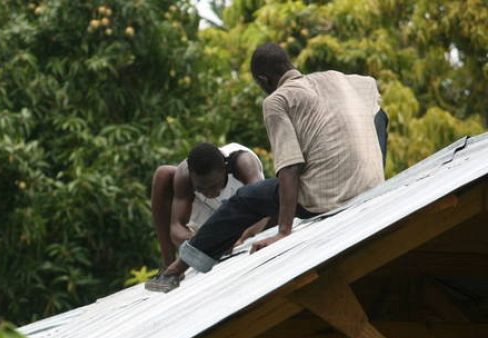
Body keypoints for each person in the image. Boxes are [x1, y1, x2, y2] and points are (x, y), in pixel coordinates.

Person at [146, 43, 386, 293]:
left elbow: (290, 168)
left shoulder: (277, 101)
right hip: (371, 182)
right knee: (378, 112)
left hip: (325, 198)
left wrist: (283, 231)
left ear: (264, 79)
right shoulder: (340, 79)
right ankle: (375, 174)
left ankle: (176, 269)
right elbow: (374, 95)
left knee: (243, 201)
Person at [149, 142, 268, 269]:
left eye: (214, 186)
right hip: (210, 217)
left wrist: (239, 238)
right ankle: (169, 267)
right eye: (200, 188)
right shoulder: (184, 174)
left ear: (224, 169)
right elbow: (176, 228)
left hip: (246, 215)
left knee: (277, 193)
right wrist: (201, 240)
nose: (209, 193)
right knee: (163, 174)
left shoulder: (243, 162)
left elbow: (263, 205)